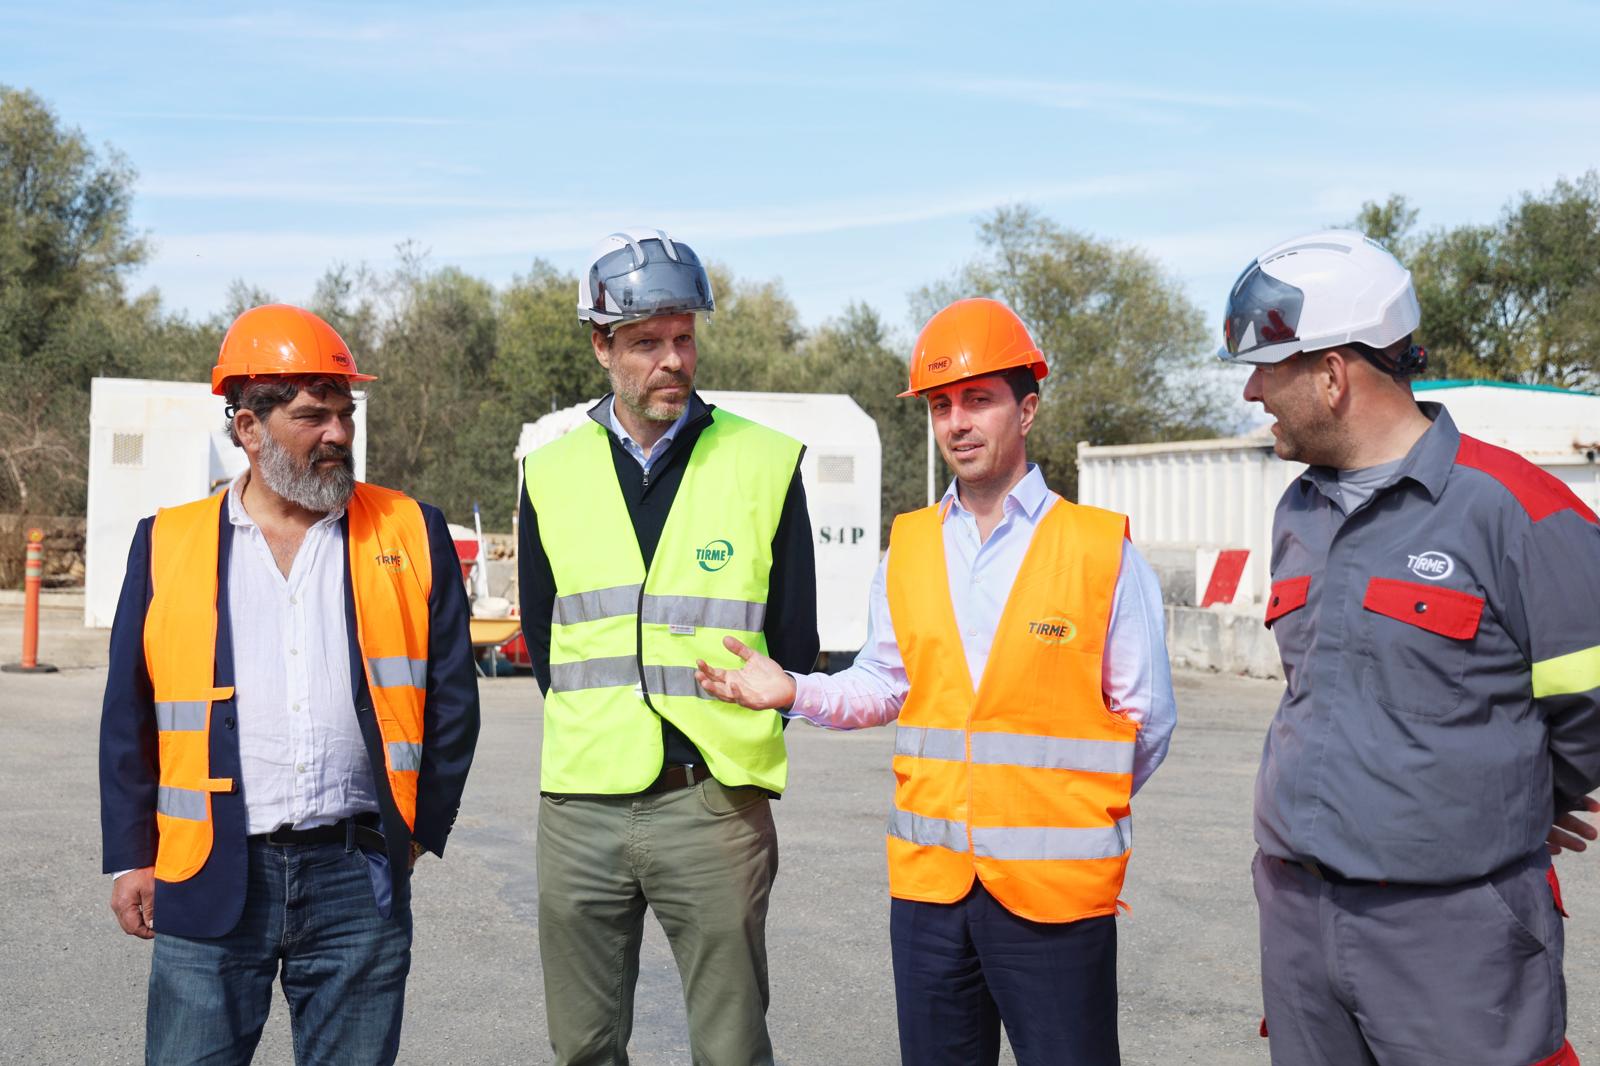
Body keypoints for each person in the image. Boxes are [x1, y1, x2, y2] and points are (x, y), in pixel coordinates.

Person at [697, 297, 1177, 1066]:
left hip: (1054, 898)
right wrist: (793, 688)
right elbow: (886, 683)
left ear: (1027, 408)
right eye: (941, 403)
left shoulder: (1101, 552)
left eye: (978, 399)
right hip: (930, 895)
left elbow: (1146, 721)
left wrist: (1070, 812)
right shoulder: (910, 546)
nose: (957, 422)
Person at [1219, 229, 1600, 1066]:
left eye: (1266, 369)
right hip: (1298, 919)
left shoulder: (1519, 510)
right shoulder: (1299, 514)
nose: (1251, 391)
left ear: (1332, 373)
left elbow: (1591, 701)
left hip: (1452, 936)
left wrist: (1520, 792)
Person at [99, 304, 481, 1065]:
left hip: (355, 876)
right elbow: (129, 716)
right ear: (248, 427)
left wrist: (412, 834)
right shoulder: (168, 542)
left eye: (344, 413)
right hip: (209, 870)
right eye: (313, 416)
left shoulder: (409, 530)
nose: (338, 433)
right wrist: (133, 855)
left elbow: (452, 703)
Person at [518, 227, 819, 1065]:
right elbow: (548, 643)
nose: (671, 360)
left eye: (684, 339)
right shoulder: (550, 473)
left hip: (714, 804)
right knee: (582, 1047)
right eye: (647, 342)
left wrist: (723, 752)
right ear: (601, 346)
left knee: (730, 1048)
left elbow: (795, 640)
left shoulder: (764, 462)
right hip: (582, 805)